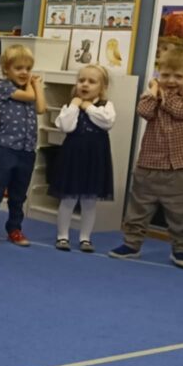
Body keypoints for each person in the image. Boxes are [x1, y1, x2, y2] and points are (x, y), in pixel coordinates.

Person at [109, 46, 183, 269]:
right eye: (165, 75)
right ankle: (131, 244)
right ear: (159, 73)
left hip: (178, 168)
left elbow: (181, 111)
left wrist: (160, 93)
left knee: (180, 213)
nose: (171, 80)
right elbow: (144, 111)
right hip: (148, 165)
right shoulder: (152, 96)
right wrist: (152, 92)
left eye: (178, 76)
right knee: (138, 209)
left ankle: (181, 249)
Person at [0, 44, 46, 247]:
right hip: (5, 149)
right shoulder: (4, 87)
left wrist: (36, 86)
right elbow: (32, 98)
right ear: (6, 70)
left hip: (27, 150)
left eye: (28, 68)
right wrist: (35, 84)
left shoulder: (30, 89)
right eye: (18, 68)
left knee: (18, 195)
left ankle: (15, 229)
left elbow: (41, 108)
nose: (24, 72)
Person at [50, 65, 115, 252]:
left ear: (102, 87)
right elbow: (66, 126)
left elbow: (107, 122)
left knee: (89, 201)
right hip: (73, 157)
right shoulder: (70, 106)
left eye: (91, 82)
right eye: (81, 80)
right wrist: (74, 106)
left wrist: (89, 107)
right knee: (68, 199)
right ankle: (62, 236)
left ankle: (85, 238)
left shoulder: (106, 106)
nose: (85, 84)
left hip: (95, 158)